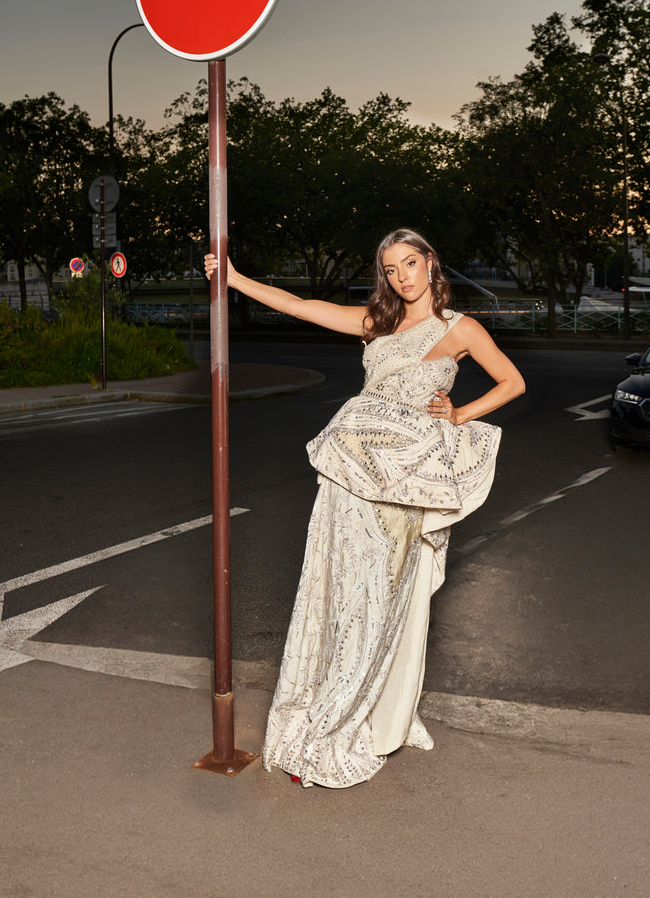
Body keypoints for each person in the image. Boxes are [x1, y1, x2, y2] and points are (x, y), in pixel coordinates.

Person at [204, 228, 525, 788]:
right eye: (391, 269)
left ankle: (355, 719)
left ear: (430, 262)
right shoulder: (377, 323)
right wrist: (235, 280)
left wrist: (458, 415)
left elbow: (513, 382)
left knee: (378, 597)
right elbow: (305, 306)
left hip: (404, 482)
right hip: (348, 474)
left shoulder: (460, 328)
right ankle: (332, 712)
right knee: (339, 591)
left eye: (410, 264)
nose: (402, 277)